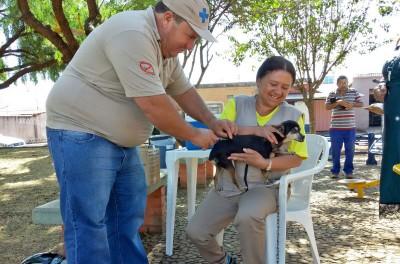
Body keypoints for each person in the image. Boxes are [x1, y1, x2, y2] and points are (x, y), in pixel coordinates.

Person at [45, 0, 237, 263]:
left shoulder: (166, 51)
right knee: (89, 225)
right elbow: (154, 106)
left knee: (126, 220)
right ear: (168, 18)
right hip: (80, 132)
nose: (191, 45)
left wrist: (212, 121)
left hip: (121, 143)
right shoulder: (133, 33)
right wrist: (194, 135)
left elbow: (184, 91)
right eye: (190, 35)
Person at [186, 56, 308, 264]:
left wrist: (265, 164)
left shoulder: (293, 115)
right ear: (259, 81)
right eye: (273, 84)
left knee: (248, 216)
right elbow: (218, 133)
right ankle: (224, 261)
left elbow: (297, 159)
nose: (278, 91)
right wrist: (256, 131)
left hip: (266, 188)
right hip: (228, 187)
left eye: (285, 87)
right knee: (196, 231)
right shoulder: (237, 104)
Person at [373, 37, 400, 217]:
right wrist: (380, 88)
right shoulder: (392, 60)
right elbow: (382, 85)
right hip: (394, 120)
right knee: (395, 164)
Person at [325, 76, 364, 179]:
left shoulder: (354, 92)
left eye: (345, 82)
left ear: (348, 83)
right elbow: (327, 107)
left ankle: (348, 171)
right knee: (335, 151)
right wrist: (338, 102)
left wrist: (351, 104)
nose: (343, 84)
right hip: (335, 128)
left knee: (350, 151)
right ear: (337, 84)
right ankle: (335, 171)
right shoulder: (332, 93)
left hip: (350, 127)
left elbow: (361, 104)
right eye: (341, 82)